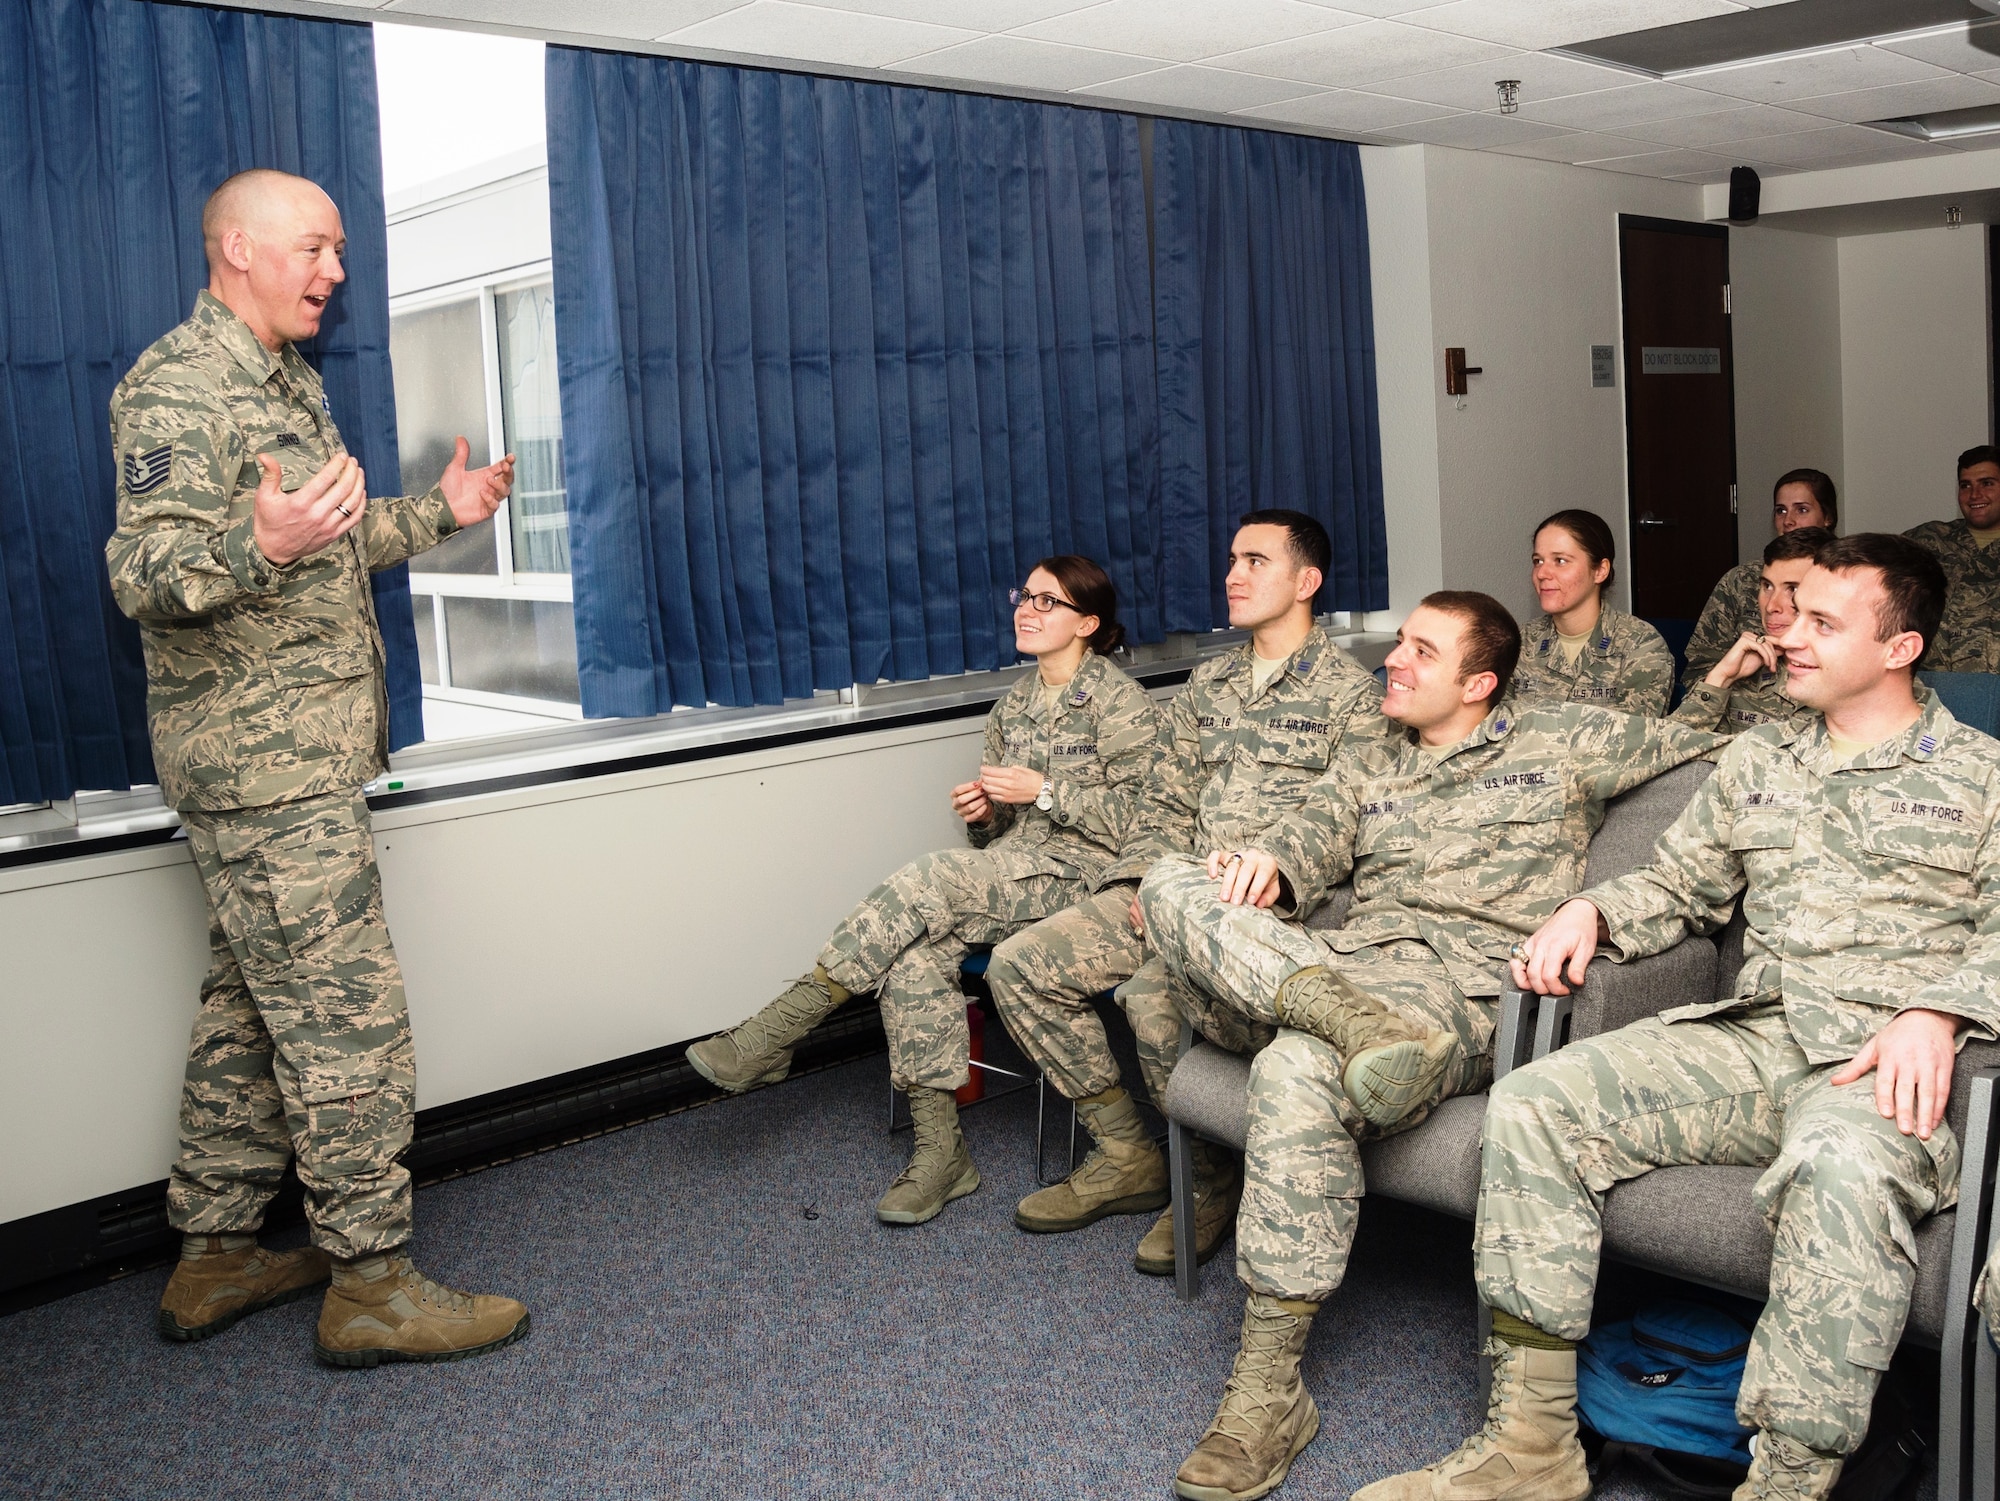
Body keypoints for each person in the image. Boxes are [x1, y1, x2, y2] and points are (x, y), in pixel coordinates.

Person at [1362, 534, 2000, 1501]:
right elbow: (1681, 882)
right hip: (1760, 1032)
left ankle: (1787, 1482)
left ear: (1900, 647)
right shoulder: (1758, 756)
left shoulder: (1982, 776)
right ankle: (1531, 1446)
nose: (1789, 633)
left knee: (1841, 1166)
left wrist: (1942, 1007)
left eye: (1824, 621)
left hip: (1884, 1061)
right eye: (1793, 610)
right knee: (1533, 1103)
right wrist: (1595, 906)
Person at [1139, 592, 1724, 1501]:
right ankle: (1337, 1018)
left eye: (1420, 649)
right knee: (1176, 877)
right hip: (1341, 966)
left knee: (1296, 1063)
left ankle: (1266, 1390)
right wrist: (1269, 865)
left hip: (1457, 990)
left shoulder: (1564, 738)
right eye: (1398, 642)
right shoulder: (1370, 755)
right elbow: (1307, 833)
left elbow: (1718, 755)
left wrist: (1601, 905)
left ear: (1480, 682)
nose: (1393, 661)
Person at [107, 170, 528, 1365]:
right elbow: (144, 575)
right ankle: (371, 1284)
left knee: (248, 1014)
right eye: (315, 246)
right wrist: (254, 538)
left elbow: (325, 549)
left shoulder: (286, 380)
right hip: (263, 771)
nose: (335, 270)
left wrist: (439, 512)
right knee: (349, 1027)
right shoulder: (176, 387)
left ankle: (218, 1250)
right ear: (237, 247)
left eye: (337, 249)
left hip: (294, 761)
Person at [685, 557, 1158, 1226]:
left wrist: (1046, 791)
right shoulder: (1012, 708)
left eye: (1048, 601)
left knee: (929, 879)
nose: (1028, 608)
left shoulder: (1122, 704)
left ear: (1088, 622)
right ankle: (942, 1155)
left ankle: (778, 1028)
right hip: (1018, 875)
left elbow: (1149, 822)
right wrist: (986, 817)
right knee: (912, 956)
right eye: (1025, 596)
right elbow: (996, 847)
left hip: (1086, 881)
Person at [986, 511, 1391, 1274]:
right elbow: (1163, 802)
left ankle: (1206, 1176)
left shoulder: (1351, 696)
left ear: (1306, 581)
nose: (1233, 574)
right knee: (1020, 965)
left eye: (1255, 560)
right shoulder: (1210, 680)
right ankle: (1128, 1154)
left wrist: (1264, 874)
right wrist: (1141, 876)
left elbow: (1341, 819)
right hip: (1164, 882)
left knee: (1152, 998)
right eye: (1232, 559)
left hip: (1252, 909)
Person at [1684, 469, 1838, 692]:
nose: (1788, 521)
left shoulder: (1849, 579)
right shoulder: (1741, 580)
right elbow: (1698, 669)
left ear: (1828, 517)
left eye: (1801, 510)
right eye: (1780, 511)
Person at [1509, 509, 1673, 717]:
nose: (1541, 573)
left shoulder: (1639, 644)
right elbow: (1494, 726)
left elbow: (1632, 740)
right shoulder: (1520, 642)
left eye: (1560, 561)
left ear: (1600, 571)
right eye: (1537, 561)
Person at [1671, 527, 1831, 737]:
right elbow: (1669, 750)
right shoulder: (1745, 676)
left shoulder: (1852, 677)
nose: (1771, 605)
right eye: (1767, 586)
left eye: (1792, 589)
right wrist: (1722, 677)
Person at [1905, 445, 2000, 672]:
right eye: (1965, 485)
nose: (1975, 495)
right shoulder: (1928, 539)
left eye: (1987, 483)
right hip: (1929, 689)